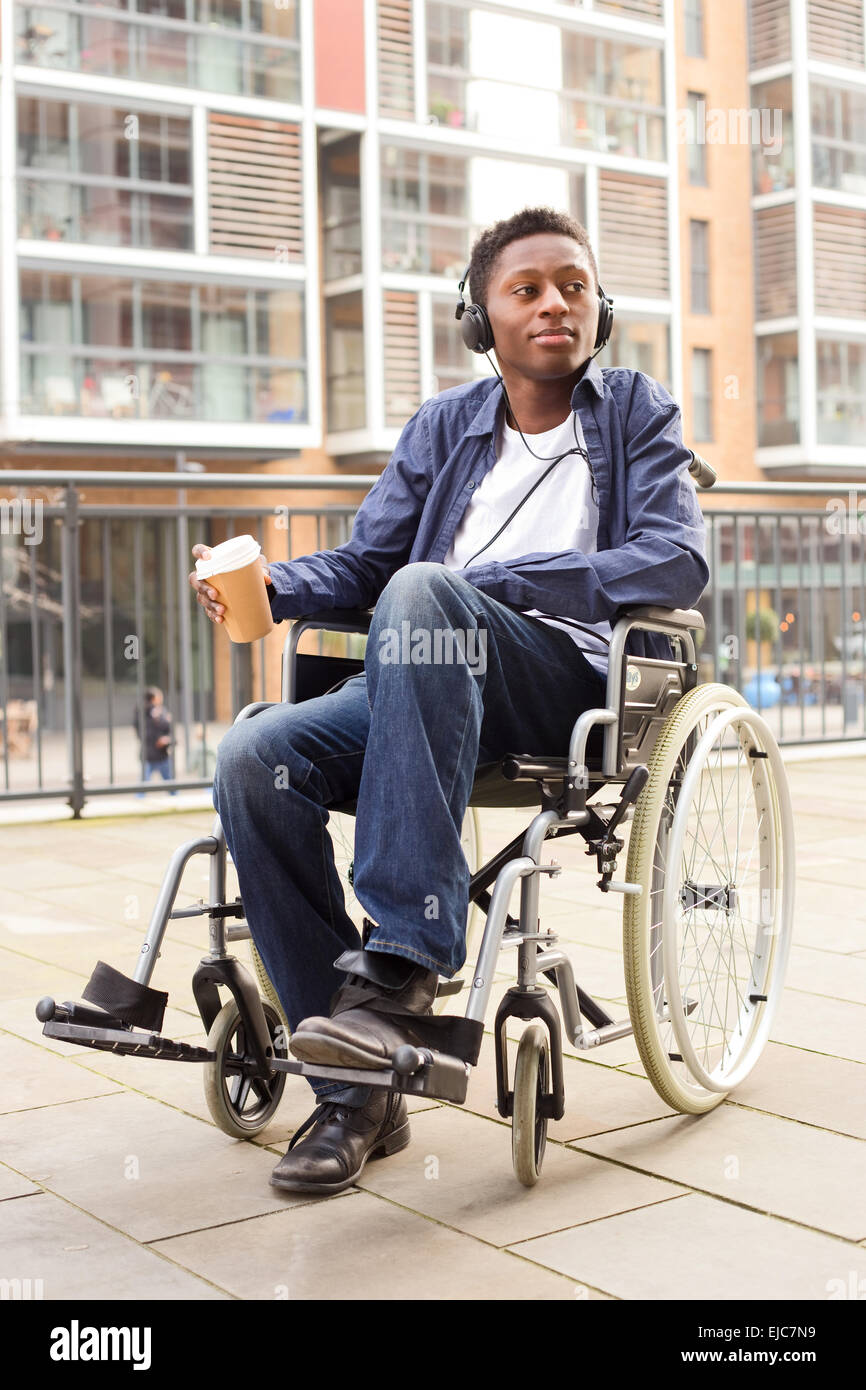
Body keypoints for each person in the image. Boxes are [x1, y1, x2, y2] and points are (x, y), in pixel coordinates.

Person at [189, 206, 709, 1196]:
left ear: (601, 310)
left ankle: (401, 965)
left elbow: (677, 557)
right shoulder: (442, 427)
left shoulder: (635, 408)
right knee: (253, 755)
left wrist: (512, 584)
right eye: (526, 288)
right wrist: (259, 587)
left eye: (573, 285)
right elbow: (364, 564)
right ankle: (352, 1090)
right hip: (424, 674)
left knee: (430, 592)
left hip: (558, 685)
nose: (555, 302)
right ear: (481, 318)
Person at [133, 686, 177, 795]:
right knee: (144, 784)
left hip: (161, 754)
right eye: (159, 696)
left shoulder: (162, 711)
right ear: (152, 698)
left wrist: (168, 739)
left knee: (171, 783)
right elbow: (143, 732)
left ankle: (175, 798)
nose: (161, 698)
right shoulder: (143, 712)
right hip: (149, 753)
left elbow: (168, 729)